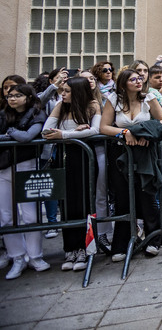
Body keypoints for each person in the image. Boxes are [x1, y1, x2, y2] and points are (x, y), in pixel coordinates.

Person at [99, 69, 162, 260]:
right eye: (133, 79)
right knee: (122, 197)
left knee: (147, 194)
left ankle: (154, 239)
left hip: (145, 152)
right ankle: (121, 243)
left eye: (139, 78)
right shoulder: (113, 100)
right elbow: (104, 127)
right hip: (122, 153)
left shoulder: (149, 98)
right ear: (123, 84)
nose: (138, 82)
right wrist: (124, 133)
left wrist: (145, 133)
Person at [42, 76, 101, 272]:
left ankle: (86, 247)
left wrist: (65, 135)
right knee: (66, 205)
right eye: (62, 90)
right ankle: (70, 249)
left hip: (84, 158)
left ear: (77, 91)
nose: (63, 94)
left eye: (67, 91)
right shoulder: (60, 106)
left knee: (84, 203)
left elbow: (95, 130)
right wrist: (74, 132)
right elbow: (46, 131)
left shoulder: (92, 105)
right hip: (63, 159)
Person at [0, 84, 49, 279]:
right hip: (5, 167)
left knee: (31, 214)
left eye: (18, 95)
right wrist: (13, 134)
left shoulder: (36, 113)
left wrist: (10, 134)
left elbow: (29, 136)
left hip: (27, 165)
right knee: (6, 215)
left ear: (28, 97)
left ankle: (35, 255)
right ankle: (17, 257)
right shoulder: (3, 115)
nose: (12, 99)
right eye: (10, 95)